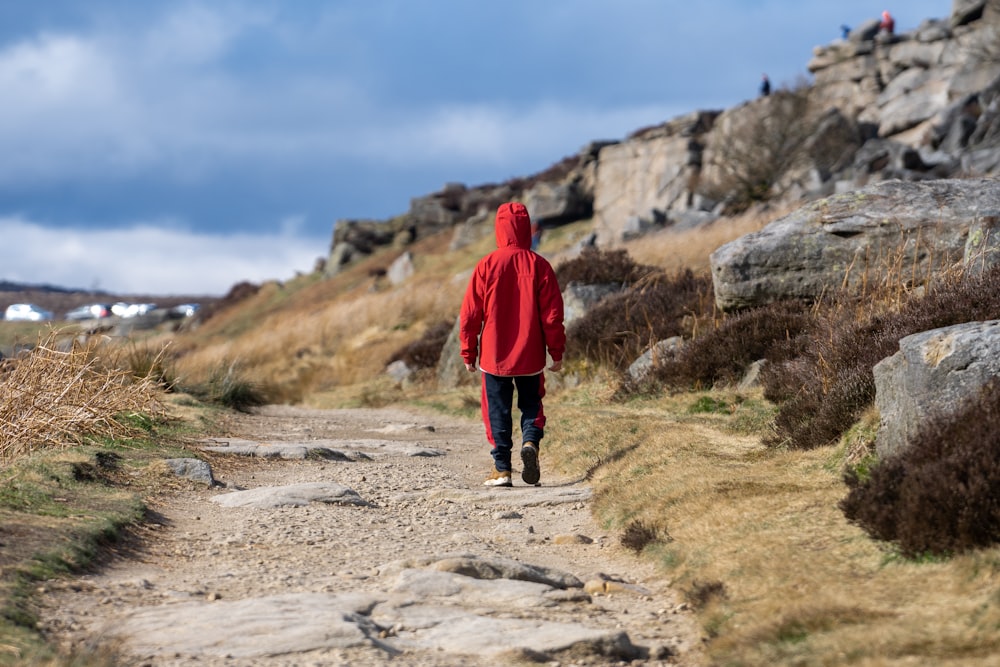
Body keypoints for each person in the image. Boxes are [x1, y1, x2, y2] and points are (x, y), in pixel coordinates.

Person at [459, 202, 565, 488]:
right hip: (530, 354)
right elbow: (553, 317)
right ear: (526, 229)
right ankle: (530, 442)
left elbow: (470, 314)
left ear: (499, 228)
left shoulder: (486, 265)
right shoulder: (540, 265)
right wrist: (556, 352)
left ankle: (502, 469)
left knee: (497, 409)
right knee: (532, 404)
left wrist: (468, 351)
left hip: (494, 355)